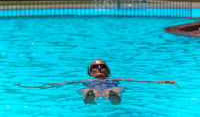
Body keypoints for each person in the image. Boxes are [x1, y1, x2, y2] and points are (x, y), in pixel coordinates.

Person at [17, 59, 177, 105]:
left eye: (102, 66)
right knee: (86, 91)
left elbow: (140, 81)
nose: (99, 68)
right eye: (95, 66)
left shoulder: (115, 79)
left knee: (117, 89)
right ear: (90, 71)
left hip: (111, 87)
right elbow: (59, 85)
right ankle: (90, 99)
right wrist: (34, 86)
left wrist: (162, 82)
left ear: (108, 71)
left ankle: (113, 98)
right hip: (90, 88)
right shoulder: (83, 80)